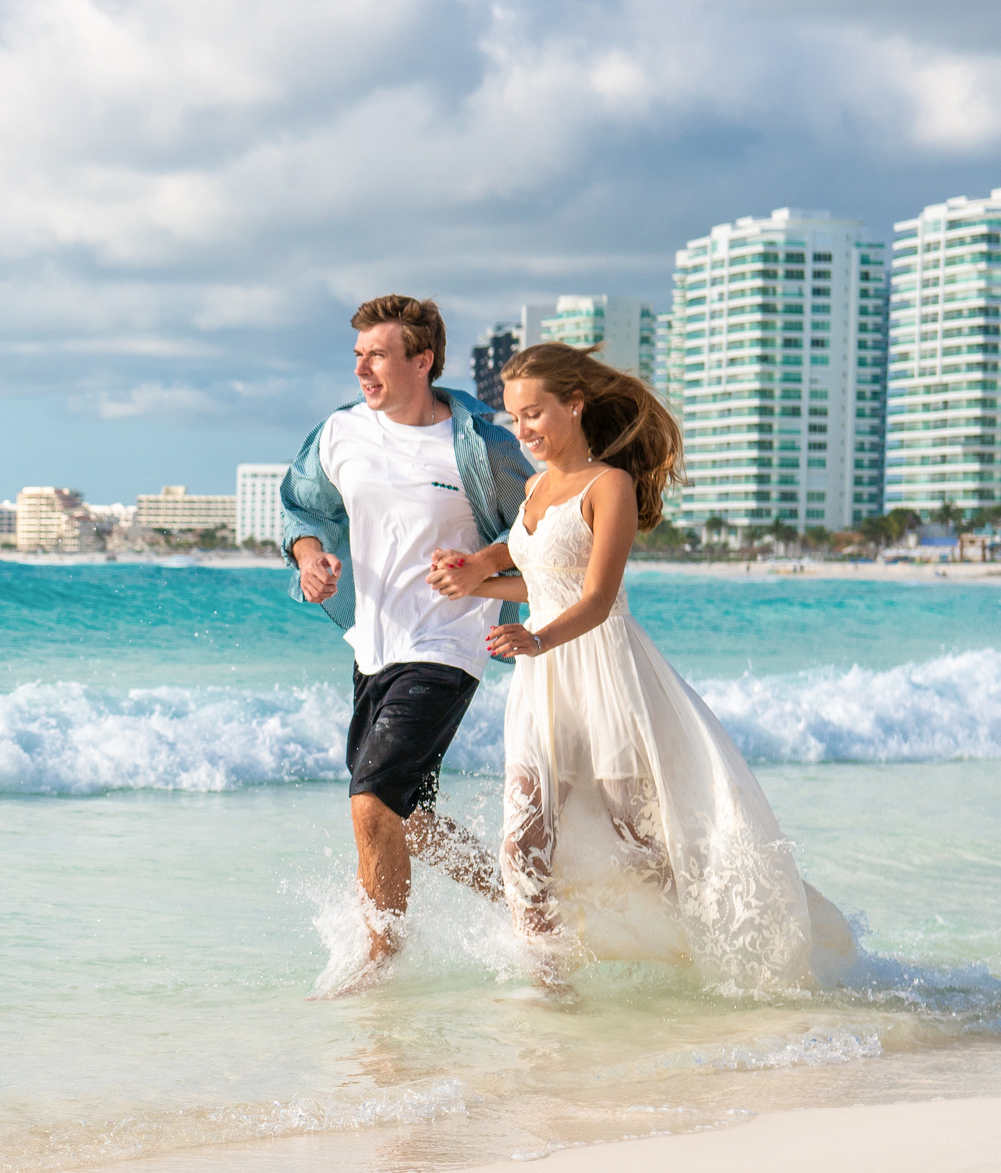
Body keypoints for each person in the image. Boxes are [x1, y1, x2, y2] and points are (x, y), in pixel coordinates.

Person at [429, 343, 855, 991]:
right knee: (521, 846)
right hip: (542, 685)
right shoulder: (538, 487)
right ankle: (548, 987)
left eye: (535, 413)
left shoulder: (611, 486)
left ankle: (713, 956)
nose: (524, 431)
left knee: (642, 848)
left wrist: (534, 637)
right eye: (516, 418)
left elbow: (597, 599)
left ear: (575, 405)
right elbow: (540, 581)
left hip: (606, 678)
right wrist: (473, 583)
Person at [278, 295, 535, 990]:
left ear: (422, 361)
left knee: (371, 802)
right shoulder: (339, 434)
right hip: (372, 645)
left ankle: (380, 959)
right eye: (357, 354)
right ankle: (527, 905)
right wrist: (309, 558)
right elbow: (304, 508)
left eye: (378, 355)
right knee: (411, 820)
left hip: (450, 646)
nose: (362, 368)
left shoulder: (482, 447)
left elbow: (545, 533)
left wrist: (485, 573)